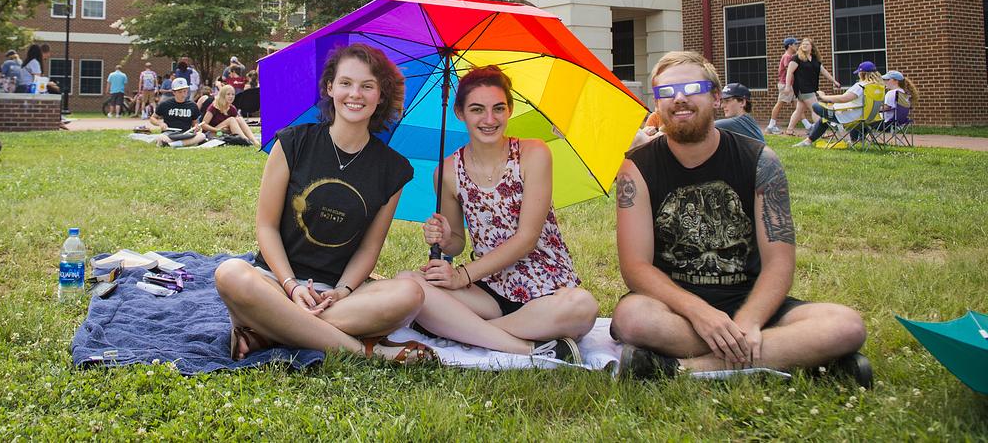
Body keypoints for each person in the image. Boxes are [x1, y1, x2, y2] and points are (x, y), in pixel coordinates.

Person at [612, 51, 870, 384]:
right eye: (665, 92)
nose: (679, 99)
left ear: (716, 97)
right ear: (657, 106)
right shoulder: (636, 169)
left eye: (692, 87)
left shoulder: (761, 161)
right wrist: (700, 312)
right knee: (632, 318)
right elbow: (636, 268)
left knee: (846, 325)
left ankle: (686, 370)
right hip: (676, 309)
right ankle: (790, 359)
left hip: (753, 302)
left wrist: (747, 322)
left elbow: (779, 263)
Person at [213, 43, 431, 363]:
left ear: (381, 95)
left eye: (367, 86)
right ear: (330, 88)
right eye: (345, 83)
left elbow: (369, 249)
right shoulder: (292, 142)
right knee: (230, 273)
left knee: (410, 294)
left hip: (337, 296)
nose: (355, 94)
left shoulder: (393, 169)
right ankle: (368, 353)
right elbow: (267, 226)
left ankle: (269, 330)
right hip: (274, 282)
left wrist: (341, 291)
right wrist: (290, 286)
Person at [399, 66, 597, 362]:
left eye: (498, 108)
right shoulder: (448, 171)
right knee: (408, 283)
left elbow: (527, 239)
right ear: (460, 113)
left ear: (510, 110)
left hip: (546, 287)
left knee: (583, 307)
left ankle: (465, 331)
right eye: (477, 109)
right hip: (490, 289)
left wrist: (461, 275)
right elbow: (456, 243)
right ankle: (525, 346)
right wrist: (441, 235)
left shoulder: (534, 153)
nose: (489, 120)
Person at [793, 62, 884, 148]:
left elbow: (843, 98)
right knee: (824, 119)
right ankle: (808, 141)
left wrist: (824, 97)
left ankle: (809, 140)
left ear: (862, 74)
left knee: (816, 106)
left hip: (853, 119)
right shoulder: (880, 87)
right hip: (870, 118)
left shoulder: (861, 85)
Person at [784, 38, 840, 137]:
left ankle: (789, 130)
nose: (804, 45)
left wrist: (834, 81)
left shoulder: (814, 59)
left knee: (799, 110)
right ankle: (821, 132)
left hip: (811, 87)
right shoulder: (796, 58)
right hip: (802, 88)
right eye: (803, 44)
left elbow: (823, 71)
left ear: (812, 47)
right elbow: (789, 72)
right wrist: (788, 86)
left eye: (807, 44)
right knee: (815, 108)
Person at [149, 77, 207, 147]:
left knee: (202, 135)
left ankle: (173, 144)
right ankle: (185, 143)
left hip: (186, 133)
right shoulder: (165, 104)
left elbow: (194, 123)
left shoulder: (192, 105)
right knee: (161, 138)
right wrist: (160, 123)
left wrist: (196, 127)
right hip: (169, 134)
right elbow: (152, 118)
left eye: (185, 91)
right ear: (173, 92)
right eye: (180, 92)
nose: (183, 94)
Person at [766, 37, 799, 134]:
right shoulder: (787, 57)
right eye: (795, 44)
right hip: (785, 84)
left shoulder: (791, 56)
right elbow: (790, 69)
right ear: (790, 45)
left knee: (798, 105)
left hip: (790, 85)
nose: (797, 46)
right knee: (780, 103)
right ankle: (771, 126)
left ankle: (808, 126)